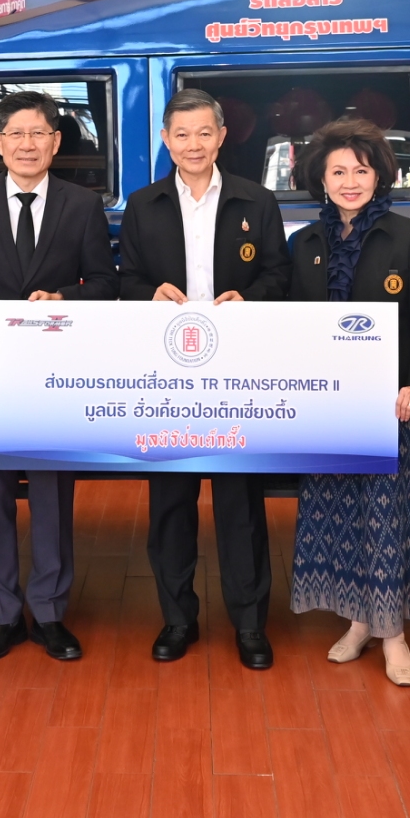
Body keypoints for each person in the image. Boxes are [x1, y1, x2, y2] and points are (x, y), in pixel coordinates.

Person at [0, 90, 118, 663]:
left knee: (52, 497)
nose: (27, 144)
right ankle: (0, 615)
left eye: (38, 133)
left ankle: (48, 612)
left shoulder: (81, 205)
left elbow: (105, 284)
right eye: (15, 134)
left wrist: (64, 297)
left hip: (53, 379)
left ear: (56, 142)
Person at [119, 88, 289, 669]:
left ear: (221, 137)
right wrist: (149, 293)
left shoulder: (255, 201)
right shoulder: (143, 204)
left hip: (237, 374)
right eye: (181, 134)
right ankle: (177, 619)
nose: (193, 144)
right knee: (171, 502)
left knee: (240, 502)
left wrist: (250, 298)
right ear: (166, 140)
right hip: (166, 377)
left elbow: (278, 275)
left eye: (204, 133)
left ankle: (250, 624)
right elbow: (126, 278)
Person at [285, 120, 410, 687]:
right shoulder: (305, 243)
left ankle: (393, 634)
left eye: (361, 169)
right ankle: (357, 622)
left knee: (385, 519)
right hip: (328, 408)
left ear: (379, 176)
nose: (350, 181)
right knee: (341, 518)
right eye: (338, 171)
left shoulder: (405, 236)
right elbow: (287, 329)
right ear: (320, 180)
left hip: (391, 407)